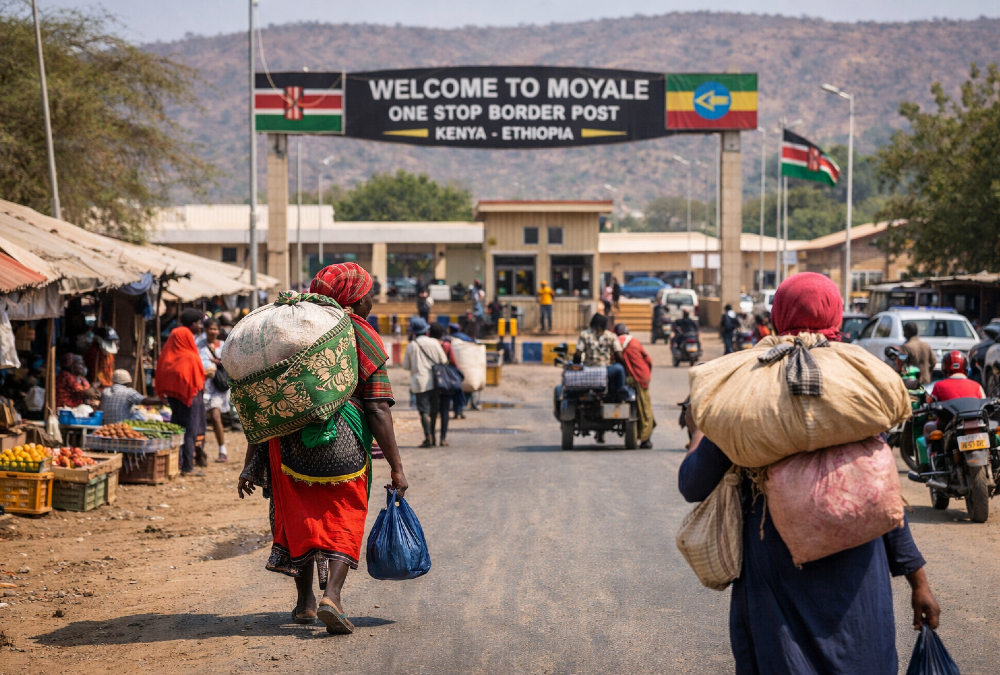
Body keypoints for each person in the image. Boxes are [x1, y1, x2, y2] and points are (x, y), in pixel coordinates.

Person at [679, 272, 939, 675]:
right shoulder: (855, 388)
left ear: (778, 315)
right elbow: (882, 494)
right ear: (836, 314)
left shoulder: (744, 394)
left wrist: (700, 428)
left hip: (775, 580)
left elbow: (693, 485)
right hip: (857, 582)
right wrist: (917, 581)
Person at [238, 262, 409, 635]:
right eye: (368, 295)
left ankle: (304, 604)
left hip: (286, 447)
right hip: (344, 443)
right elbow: (378, 406)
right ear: (352, 297)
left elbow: (265, 401)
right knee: (344, 514)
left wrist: (251, 461)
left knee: (297, 517)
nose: (372, 303)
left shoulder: (291, 328)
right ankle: (332, 595)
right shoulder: (360, 333)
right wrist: (396, 466)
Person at [155, 308, 206, 476]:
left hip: (174, 397)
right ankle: (187, 467)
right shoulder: (190, 357)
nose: (200, 326)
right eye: (198, 323)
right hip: (190, 397)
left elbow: (162, 375)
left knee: (176, 427)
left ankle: (175, 464)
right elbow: (194, 381)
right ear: (192, 325)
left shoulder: (168, 356)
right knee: (190, 429)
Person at [574, 313, 628, 442]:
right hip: (606, 370)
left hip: (588, 371)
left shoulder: (584, 335)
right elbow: (619, 356)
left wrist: (576, 365)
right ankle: (621, 392)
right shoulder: (611, 336)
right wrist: (624, 367)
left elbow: (577, 354)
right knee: (619, 369)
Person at [402, 316, 448, 447]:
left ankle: (428, 436)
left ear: (414, 332)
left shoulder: (411, 346)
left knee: (423, 411)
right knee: (434, 411)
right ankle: (433, 435)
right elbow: (443, 360)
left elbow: (406, 366)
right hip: (435, 381)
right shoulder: (434, 343)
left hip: (419, 382)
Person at [614, 323, 655, 448]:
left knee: (641, 408)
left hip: (627, 378)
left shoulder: (616, 342)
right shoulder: (635, 342)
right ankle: (645, 439)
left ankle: (643, 436)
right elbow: (648, 360)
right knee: (645, 408)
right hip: (641, 378)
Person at [198, 317, 231, 462]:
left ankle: (222, 450)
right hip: (202, 385)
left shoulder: (223, 345)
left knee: (216, 417)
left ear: (218, 330)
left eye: (215, 329)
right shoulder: (199, 345)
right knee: (200, 421)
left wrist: (217, 363)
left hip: (217, 387)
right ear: (205, 329)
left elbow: (230, 362)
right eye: (210, 328)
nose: (212, 331)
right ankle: (198, 451)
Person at [428, 322, 459, 446]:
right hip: (445, 382)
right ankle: (443, 438)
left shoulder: (428, 345)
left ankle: (432, 437)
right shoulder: (446, 345)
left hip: (432, 381)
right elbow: (453, 362)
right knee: (445, 411)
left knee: (433, 411)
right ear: (442, 333)